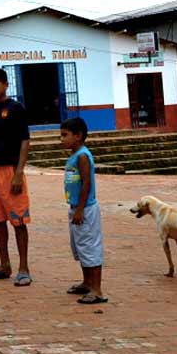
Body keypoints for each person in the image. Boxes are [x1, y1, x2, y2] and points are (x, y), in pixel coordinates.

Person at [0, 68, 32, 286]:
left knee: (18, 220)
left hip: (10, 171)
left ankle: (24, 268)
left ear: (6, 85)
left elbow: (24, 141)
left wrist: (19, 172)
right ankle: (4, 264)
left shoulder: (16, 108)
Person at [61, 117, 106, 304]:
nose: (61, 139)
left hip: (85, 210)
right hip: (76, 208)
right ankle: (87, 282)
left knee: (90, 247)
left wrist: (80, 209)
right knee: (80, 247)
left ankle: (97, 289)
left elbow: (86, 183)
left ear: (78, 136)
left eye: (65, 135)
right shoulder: (74, 155)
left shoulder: (82, 156)